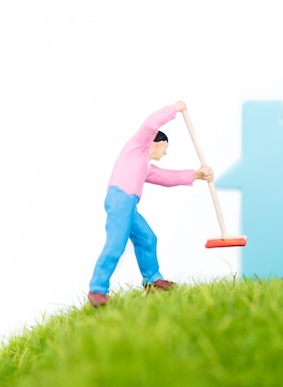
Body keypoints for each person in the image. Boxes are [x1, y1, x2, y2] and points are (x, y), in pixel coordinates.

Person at [88, 100, 214, 307]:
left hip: (129, 204)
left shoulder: (144, 166)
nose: (165, 153)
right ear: (157, 143)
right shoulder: (138, 147)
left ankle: (152, 281)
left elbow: (167, 177)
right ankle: (97, 289)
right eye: (165, 148)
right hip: (120, 200)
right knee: (116, 244)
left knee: (147, 238)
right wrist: (174, 109)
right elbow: (150, 124)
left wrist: (196, 175)